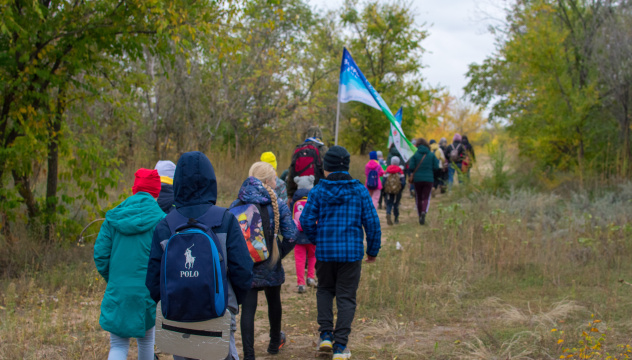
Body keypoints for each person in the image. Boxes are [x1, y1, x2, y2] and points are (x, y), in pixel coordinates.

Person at [145, 151, 254, 360]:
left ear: (177, 183)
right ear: (210, 180)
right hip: (219, 316)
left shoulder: (165, 225)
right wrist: (229, 303)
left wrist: (174, 302)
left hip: (178, 319)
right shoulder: (226, 220)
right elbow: (244, 271)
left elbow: (152, 281)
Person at [300, 146, 381, 360]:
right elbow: (372, 223)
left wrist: (319, 241)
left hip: (325, 254)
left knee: (325, 290)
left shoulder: (318, 190)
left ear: (326, 168)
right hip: (351, 255)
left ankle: (326, 336)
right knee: (346, 297)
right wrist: (372, 250)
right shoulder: (359, 190)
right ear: (346, 166)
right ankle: (340, 347)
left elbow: (306, 220)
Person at [94, 168, 165, 360]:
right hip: (148, 293)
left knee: (117, 344)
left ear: (134, 189)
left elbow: (100, 256)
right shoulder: (162, 221)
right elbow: (166, 259)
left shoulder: (113, 217)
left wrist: (115, 279)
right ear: (156, 192)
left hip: (118, 292)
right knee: (146, 340)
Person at [232, 162, 298, 360]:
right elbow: (292, 235)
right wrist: (276, 255)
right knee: (274, 302)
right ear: (270, 181)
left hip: (246, 266)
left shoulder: (237, 203)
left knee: (248, 310)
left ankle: (249, 355)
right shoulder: (276, 203)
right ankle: (273, 344)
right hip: (271, 266)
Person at [286, 126, 328, 199]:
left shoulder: (298, 149)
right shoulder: (323, 149)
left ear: (307, 135)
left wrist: (290, 194)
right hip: (319, 192)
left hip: (299, 193)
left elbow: (291, 172)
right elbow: (327, 172)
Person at [291, 175, 316, 293]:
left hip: (298, 236)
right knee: (312, 256)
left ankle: (300, 283)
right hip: (312, 235)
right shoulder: (315, 199)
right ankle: (310, 277)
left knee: (299, 259)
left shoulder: (294, 201)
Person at [408, 138, 440, 225]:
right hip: (429, 179)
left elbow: (411, 167)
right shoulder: (431, 155)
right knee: (426, 197)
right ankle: (423, 211)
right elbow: (436, 167)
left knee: (418, 197)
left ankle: (419, 215)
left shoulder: (415, 155)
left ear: (417, 145)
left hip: (417, 179)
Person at [383, 156, 406, 226]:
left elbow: (384, 181)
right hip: (397, 191)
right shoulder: (400, 171)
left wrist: (385, 190)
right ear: (398, 163)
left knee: (389, 203)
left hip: (389, 191)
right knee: (396, 204)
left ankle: (388, 213)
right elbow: (403, 182)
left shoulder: (387, 170)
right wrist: (401, 189)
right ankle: (396, 218)